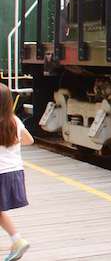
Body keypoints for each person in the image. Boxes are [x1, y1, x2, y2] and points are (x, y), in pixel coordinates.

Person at [0, 85, 33, 261]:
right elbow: (29, 140)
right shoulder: (14, 121)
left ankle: (17, 239)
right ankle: (16, 240)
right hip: (14, 173)